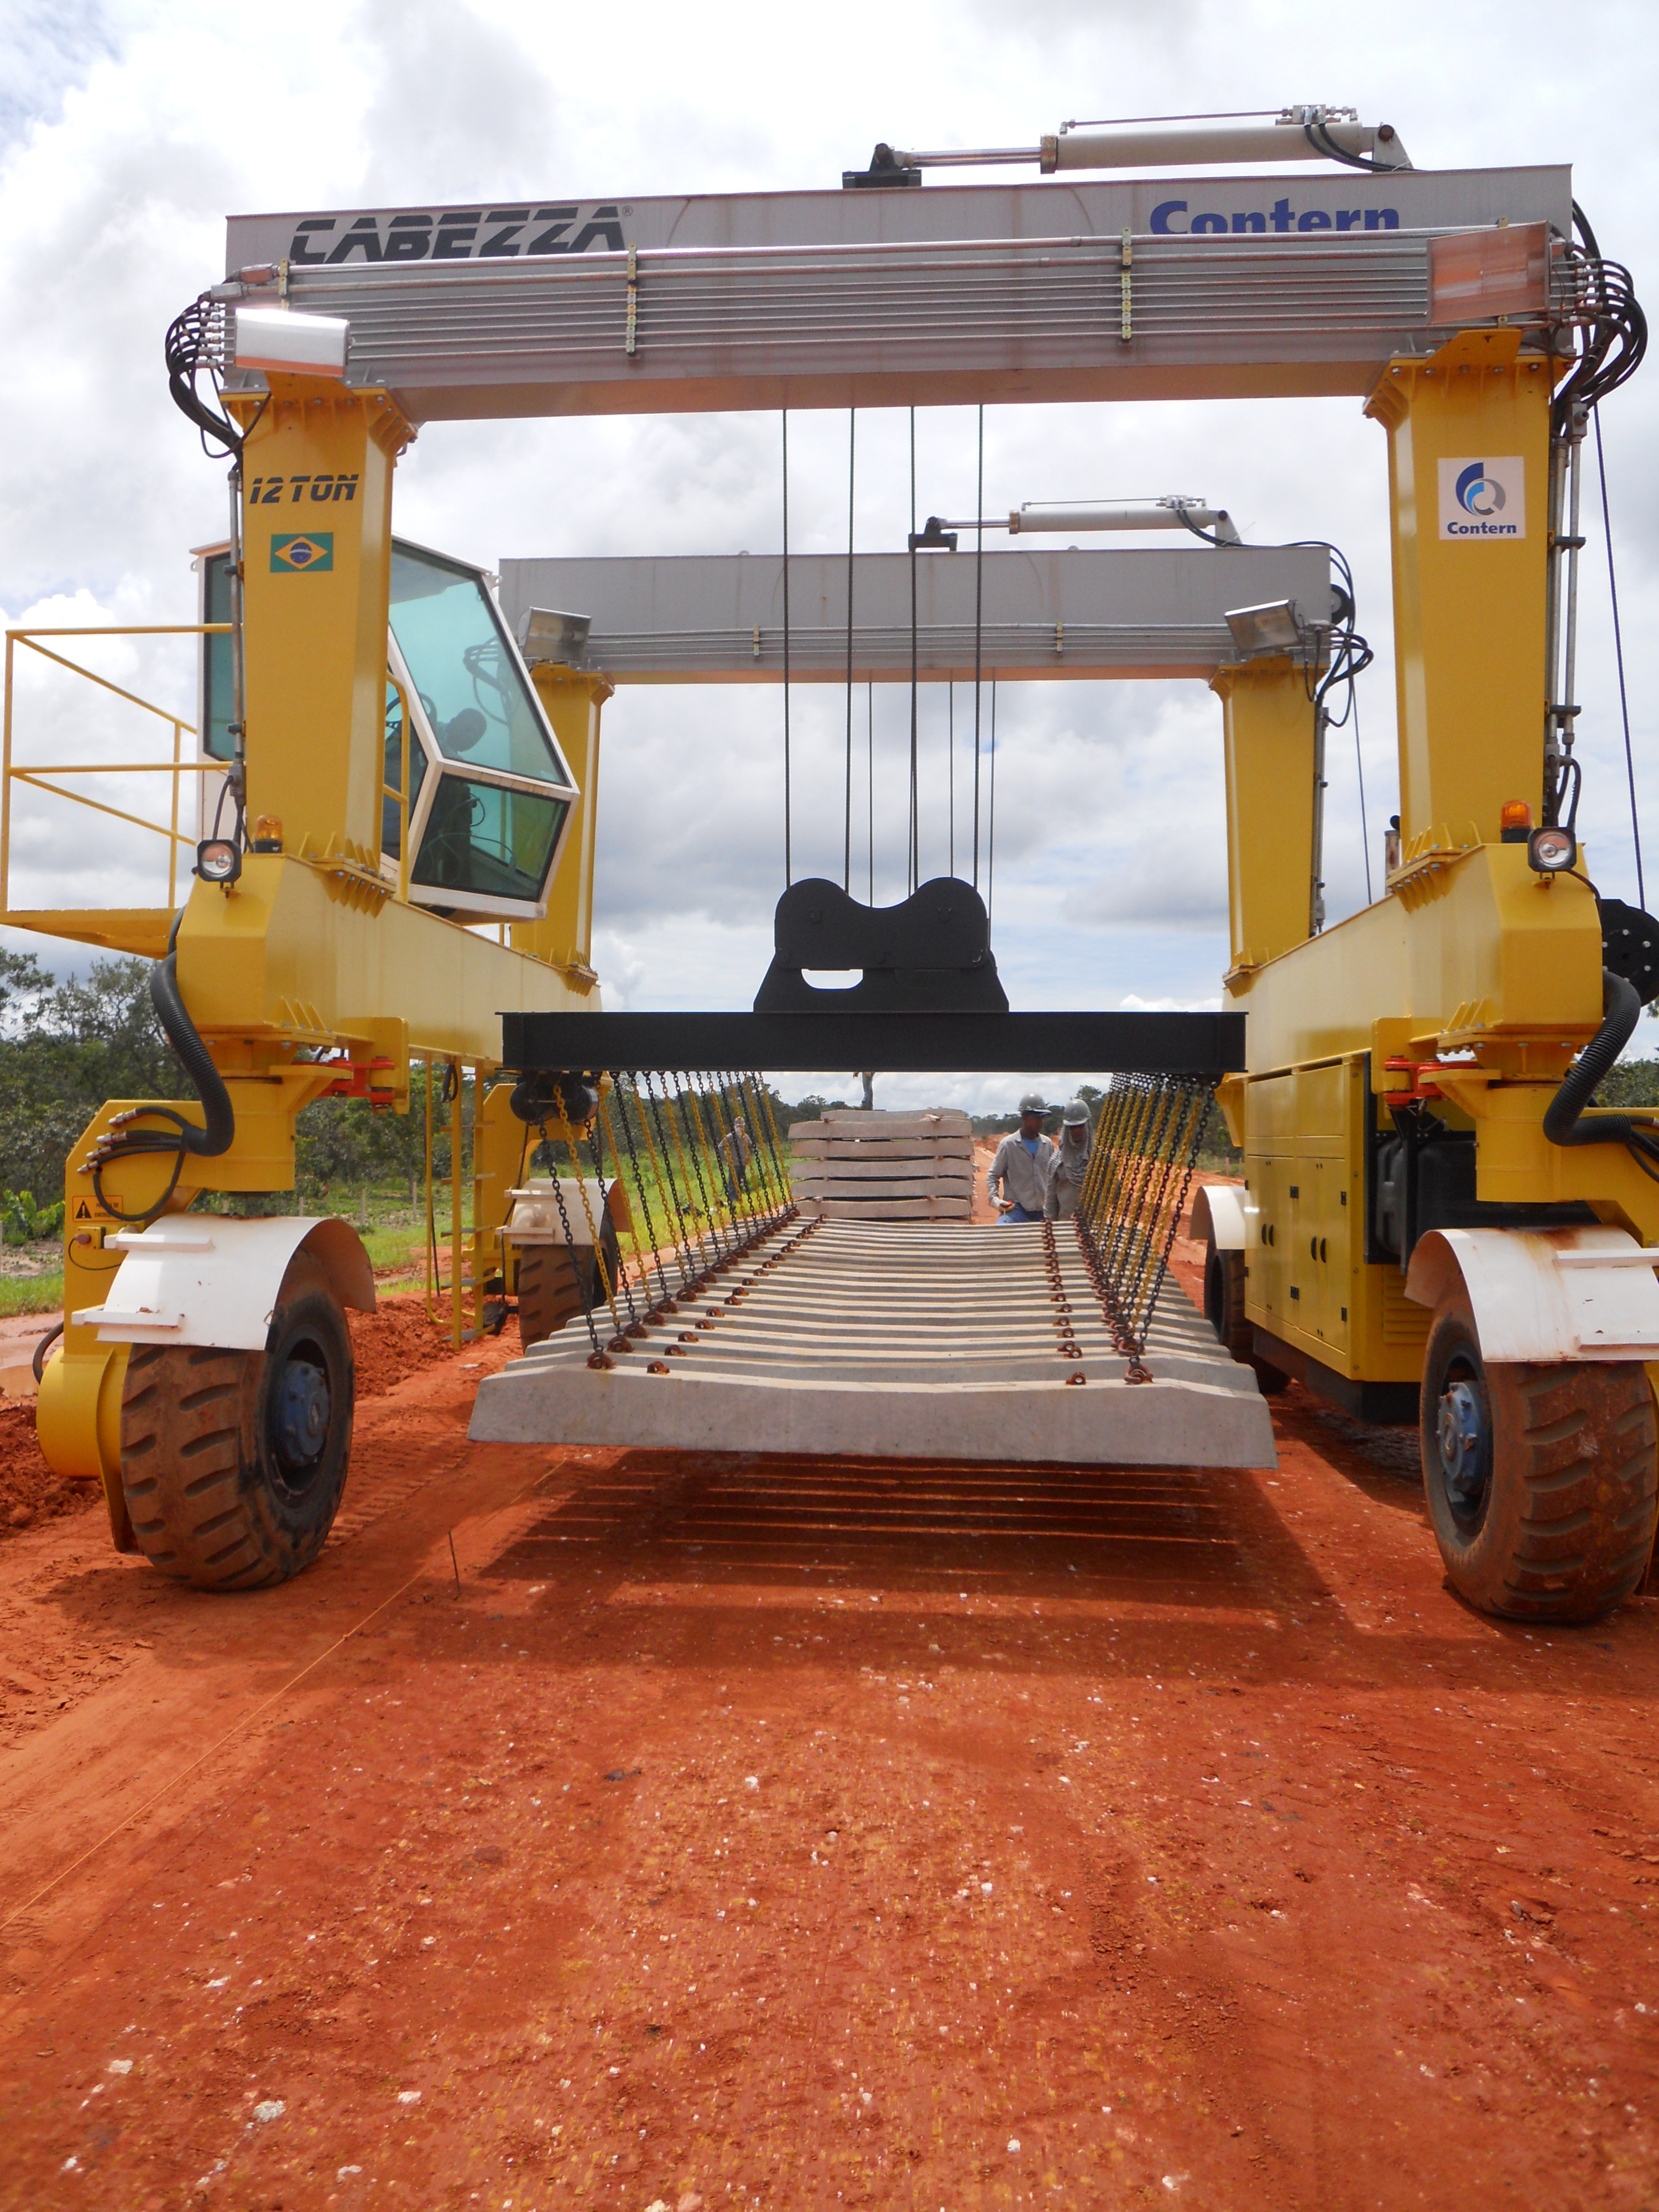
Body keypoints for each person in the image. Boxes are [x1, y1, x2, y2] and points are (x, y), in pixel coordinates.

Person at [987, 1092, 1054, 1223]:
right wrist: (995, 1201)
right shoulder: (1009, 1145)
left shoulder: (1048, 1145)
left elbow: (1053, 1179)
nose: (1041, 1121)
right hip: (1017, 1210)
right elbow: (993, 1176)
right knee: (1002, 1234)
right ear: (1024, 1117)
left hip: (1043, 1211)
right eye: (1036, 1117)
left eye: (1043, 1117)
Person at [1045, 1097, 1093, 1219]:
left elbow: (1113, 1195)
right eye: (1073, 1127)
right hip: (1065, 1227)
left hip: (1093, 1227)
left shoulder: (1100, 1159)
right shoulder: (1057, 1161)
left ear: (1087, 1126)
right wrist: (1050, 1226)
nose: (1077, 1131)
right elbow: (1050, 1200)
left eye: (1081, 1126)